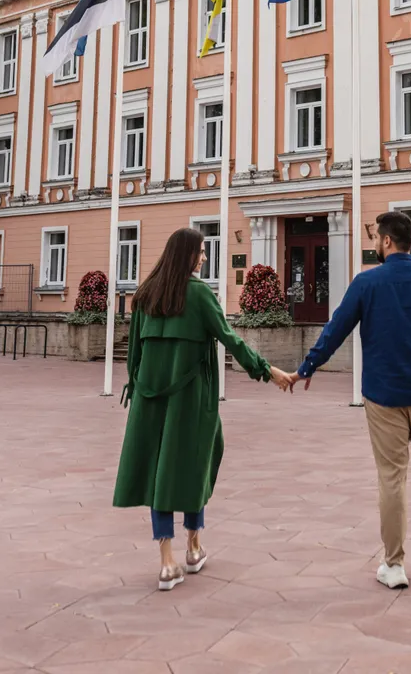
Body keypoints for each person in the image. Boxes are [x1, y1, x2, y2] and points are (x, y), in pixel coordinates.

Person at [288, 210, 411, 590]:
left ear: (386, 241)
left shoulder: (366, 283)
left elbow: (337, 328)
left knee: (392, 476)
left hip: (383, 394)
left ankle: (394, 564)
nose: (374, 244)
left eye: (375, 238)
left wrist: (308, 366)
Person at [113, 227, 291, 591]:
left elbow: (134, 356)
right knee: (197, 461)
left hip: (148, 398)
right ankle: (193, 546)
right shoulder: (199, 294)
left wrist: (139, 389)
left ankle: (167, 562)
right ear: (188, 254)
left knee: (158, 470)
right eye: (202, 251)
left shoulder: (145, 294)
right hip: (191, 397)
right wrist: (267, 370)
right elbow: (230, 338)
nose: (205, 257)